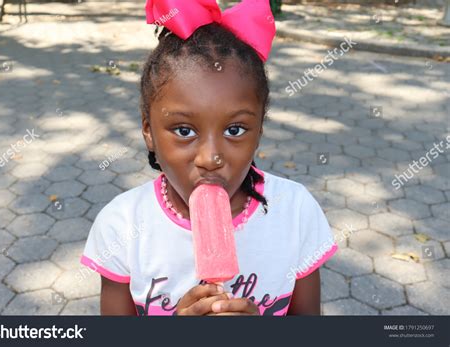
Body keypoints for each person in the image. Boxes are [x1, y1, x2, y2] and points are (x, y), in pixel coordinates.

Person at [80, 0, 337, 316]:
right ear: (149, 132)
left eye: (235, 129)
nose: (211, 157)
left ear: (259, 130)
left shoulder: (296, 213)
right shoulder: (121, 226)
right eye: (184, 131)